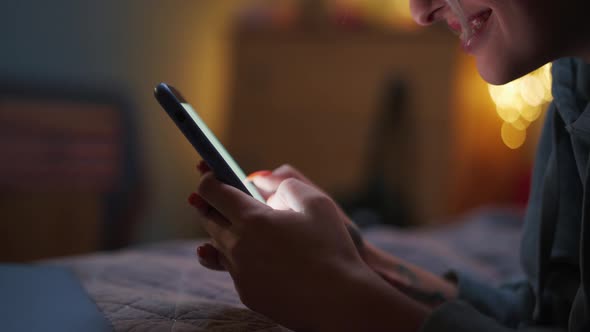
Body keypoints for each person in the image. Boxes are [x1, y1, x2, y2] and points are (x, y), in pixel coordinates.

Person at [187, 0, 590, 331]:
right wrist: (359, 258)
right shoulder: (574, 82)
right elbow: (545, 313)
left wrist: (339, 297)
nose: (419, 12)